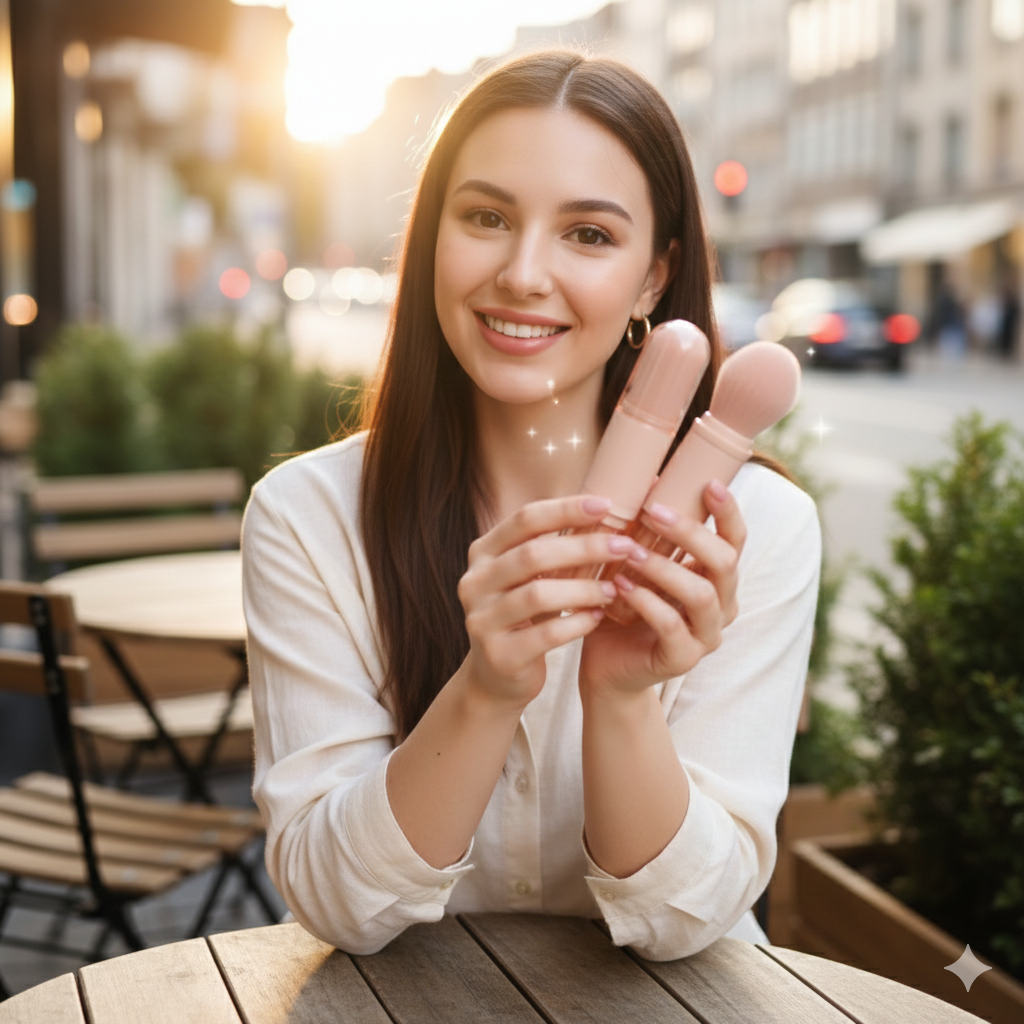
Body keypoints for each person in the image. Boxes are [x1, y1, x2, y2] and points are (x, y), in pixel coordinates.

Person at [242, 50, 821, 962]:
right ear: (433, 236)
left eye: (588, 235)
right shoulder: (307, 516)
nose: (520, 272)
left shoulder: (759, 531)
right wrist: (486, 688)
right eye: (485, 217)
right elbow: (335, 902)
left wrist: (622, 699)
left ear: (653, 278)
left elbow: (690, 920)